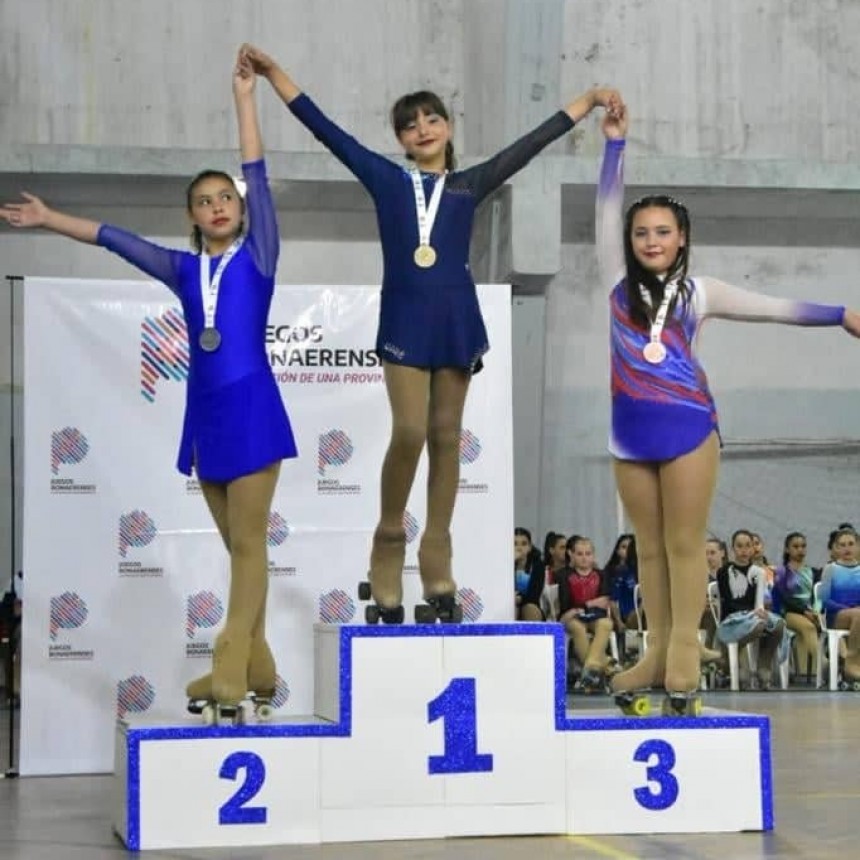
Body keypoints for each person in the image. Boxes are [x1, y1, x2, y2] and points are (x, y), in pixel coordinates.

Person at [242, 42, 621, 623]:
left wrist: (590, 99)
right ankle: (389, 540)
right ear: (400, 139)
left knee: (447, 437)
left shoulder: (469, 185)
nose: (421, 128)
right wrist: (271, 75)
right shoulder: (385, 180)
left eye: (431, 118)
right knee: (411, 431)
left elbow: (532, 144)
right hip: (403, 320)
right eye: (409, 124)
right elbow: (322, 126)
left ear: (447, 128)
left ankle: (437, 547)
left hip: (456, 320)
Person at [1, 51, 296, 723]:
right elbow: (114, 238)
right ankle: (259, 668)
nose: (218, 205)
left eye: (225, 198)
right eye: (204, 201)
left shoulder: (259, 255)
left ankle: (227, 662)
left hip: (252, 412)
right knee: (239, 551)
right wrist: (48, 219)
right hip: (207, 419)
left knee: (250, 549)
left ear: (238, 210)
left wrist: (244, 99)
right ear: (191, 216)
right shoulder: (180, 269)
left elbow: (256, 170)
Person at [594, 104, 860, 714]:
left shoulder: (701, 292)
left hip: (689, 427)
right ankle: (655, 653)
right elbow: (607, 210)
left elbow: (774, 306)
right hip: (628, 432)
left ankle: (685, 650)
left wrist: (839, 313)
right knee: (649, 548)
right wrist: (615, 148)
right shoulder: (614, 279)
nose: (650, 241)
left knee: (685, 545)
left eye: (662, 232)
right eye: (641, 233)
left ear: (681, 238)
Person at [773, 531, 820, 681]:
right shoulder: (782, 572)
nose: (800, 550)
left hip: (810, 611)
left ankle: (843, 661)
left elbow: (817, 595)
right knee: (808, 627)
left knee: (827, 625)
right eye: (796, 546)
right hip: (789, 612)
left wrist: (817, 611)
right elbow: (785, 598)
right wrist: (804, 611)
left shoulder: (812, 572)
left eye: (803, 546)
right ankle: (824, 664)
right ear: (787, 549)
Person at [819, 527, 860, 684]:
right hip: (836, 616)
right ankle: (851, 663)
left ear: (857, 546)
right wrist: (848, 609)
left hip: (857, 615)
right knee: (858, 614)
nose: (847, 548)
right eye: (842, 545)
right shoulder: (830, 569)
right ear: (836, 548)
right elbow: (824, 600)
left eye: (850, 544)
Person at [513, 527, 545, 621]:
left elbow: (534, 595)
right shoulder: (504, 565)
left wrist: (519, 599)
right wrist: (512, 562)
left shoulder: (537, 565)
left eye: (524, 544)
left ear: (530, 547)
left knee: (530, 609)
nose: (519, 548)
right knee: (511, 610)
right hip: (510, 605)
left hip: (530, 604)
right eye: (515, 544)